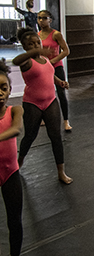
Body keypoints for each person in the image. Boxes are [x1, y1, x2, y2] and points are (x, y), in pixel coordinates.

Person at [13, 28, 72, 185]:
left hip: (50, 101)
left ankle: (61, 172)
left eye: (37, 42)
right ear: (25, 47)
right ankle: (19, 161)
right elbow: (16, 61)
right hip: (33, 103)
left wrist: (59, 81)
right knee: (30, 136)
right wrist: (36, 51)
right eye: (31, 44)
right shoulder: (26, 62)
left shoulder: (45, 60)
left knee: (56, 137)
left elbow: (49, 73)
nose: (35, 46)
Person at [0, 59, 24, 256]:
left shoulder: (15, 110)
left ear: (9, 89)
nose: (0, 93)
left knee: (15, 221)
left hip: (10, 173)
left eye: (3, 87)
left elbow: (16, 129)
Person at [37, 10, 72, 131]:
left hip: (56, 67)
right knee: (44, 94)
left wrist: (52, 61)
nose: (41, 21)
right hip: (44, 69)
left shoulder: (56, 34)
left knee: (61, 93)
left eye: (44, 18)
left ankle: (66, 121)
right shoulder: (37, 35)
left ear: (50, 20)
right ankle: (44, 118)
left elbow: (66, 51)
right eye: (39, 18)